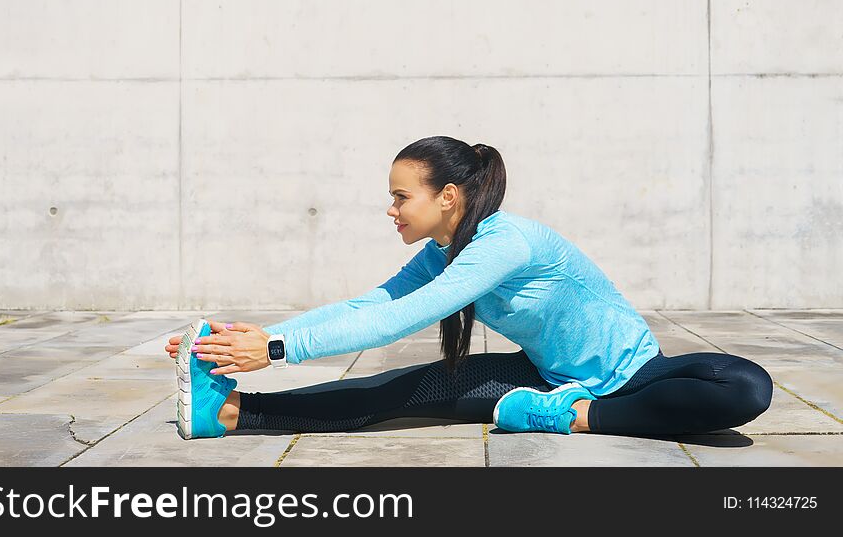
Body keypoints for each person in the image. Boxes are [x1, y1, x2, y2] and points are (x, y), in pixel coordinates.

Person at [165, 135, 773, 440]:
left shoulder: (506, 243)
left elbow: (403, 320)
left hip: (632, 374)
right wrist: (265, 336)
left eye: (402, 197)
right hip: (542, 377)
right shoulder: (445, 252)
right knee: (396, 391)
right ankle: (230, 411)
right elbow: (373, 306)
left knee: (744, 387)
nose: (392, 209)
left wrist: (274, 353)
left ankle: (575, 418)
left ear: (447, 197)